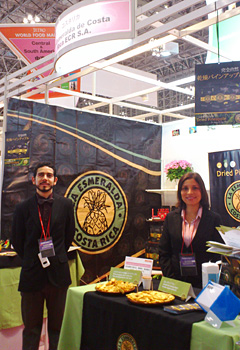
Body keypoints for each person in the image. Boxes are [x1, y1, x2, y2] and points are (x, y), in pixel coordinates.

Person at [11, 161, 75, 350]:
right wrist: (32, 258)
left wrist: (55, 256)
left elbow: (68, 237)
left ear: (54, 181)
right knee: (31, 330)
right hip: (32, 276)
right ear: (33, 180)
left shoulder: (66, 205)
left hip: (58, 275)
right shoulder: (22, 208)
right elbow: (17, 240)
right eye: (41, 175)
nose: (44, 178)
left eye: (48, 175)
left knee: (57, 329)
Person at [159, 172, 224, 289]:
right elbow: (164, 252)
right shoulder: (170, 218)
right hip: (175, 283)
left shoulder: (214, 219)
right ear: (180, 192)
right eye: (185, 188)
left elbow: (218, 255)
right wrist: (171, 279)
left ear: (202, 191)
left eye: (195, 188)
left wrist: (210, 280)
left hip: (204, 284)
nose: (189, 192)